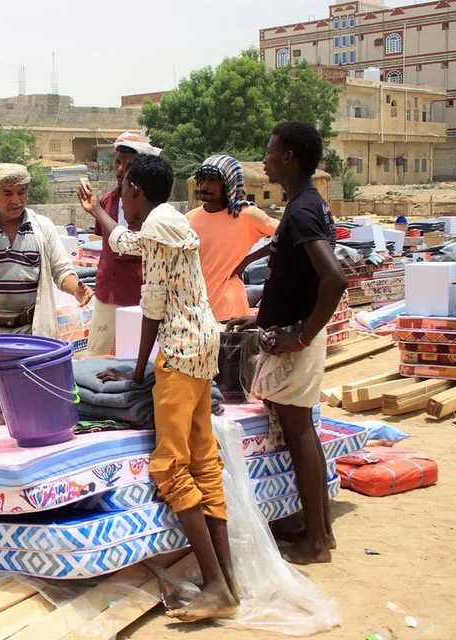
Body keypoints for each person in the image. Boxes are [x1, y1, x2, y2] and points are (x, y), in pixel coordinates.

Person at [79, 155, 237, 622]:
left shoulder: (159, 225)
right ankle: (228, 580)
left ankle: (215, 586)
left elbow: (149, 298)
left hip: (181, 350)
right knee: (203, 459)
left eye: (124, 189)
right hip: (202, 344)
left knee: (169, 465)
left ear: (137, 192)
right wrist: (97, 213)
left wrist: (137, 372)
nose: (121, 199)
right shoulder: (165, 223)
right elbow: (128, 249)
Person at [228, 122, 347, 566]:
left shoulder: (300, 213)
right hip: (286, 332)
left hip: (294, 342)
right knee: (305, 433)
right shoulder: (306, 205)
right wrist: (260, 318)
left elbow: (333, 279)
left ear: (290, 158)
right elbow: (298, 278)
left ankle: (315, 542)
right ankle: (321, 530)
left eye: (271, 152)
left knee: (299, 434)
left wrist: (300, 334)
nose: (265, 160)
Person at [0, 163, 93, 416]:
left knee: (32, 400)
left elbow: (62, 270)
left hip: (30, 331)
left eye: (21, 192)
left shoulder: (41, 227)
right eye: (8, 193)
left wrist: (77, 289)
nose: (16, 200)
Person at [83, 132, 160, 357]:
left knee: (136, 355)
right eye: (118, 162)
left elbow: (132, 244)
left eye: (128, 165)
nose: (120, 170)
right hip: (108, 291)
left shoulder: (152, 210)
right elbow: (105, 245)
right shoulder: (106, 202)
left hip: (139, 295)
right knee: (97, 354)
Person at [187, 155, 279, 322]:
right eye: (202, 179)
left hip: (231, 311)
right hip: (197, 311)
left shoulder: (246, 215)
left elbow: (289, 234)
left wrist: (246, 261)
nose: (205, 185)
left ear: (229, 183)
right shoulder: (189, 219)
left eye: (213, 180)